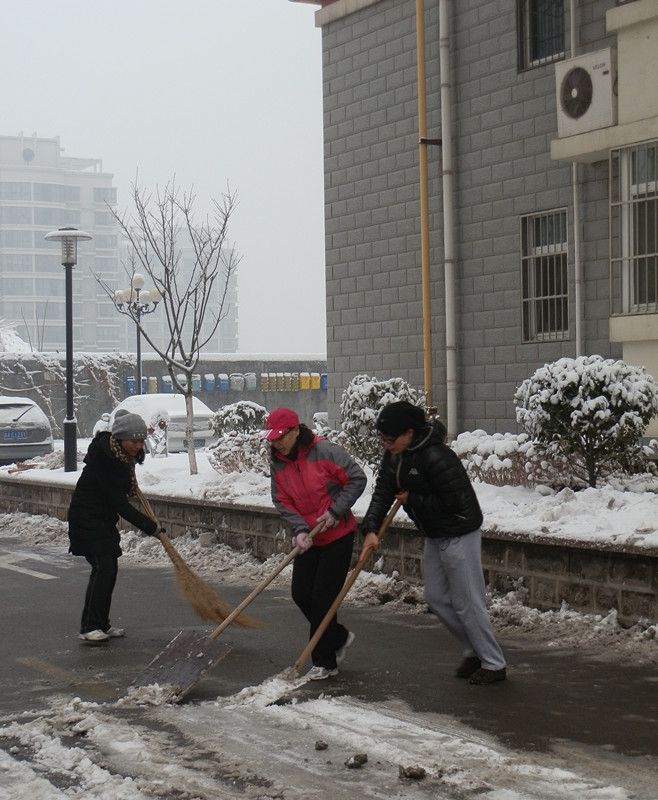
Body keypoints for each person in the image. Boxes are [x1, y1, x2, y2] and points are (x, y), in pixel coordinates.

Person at [361, 401, 506, 685]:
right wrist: (371, 528)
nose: (386, 445)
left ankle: (493, 662)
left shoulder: (437, 456)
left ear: (409, 432)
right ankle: (474, 649)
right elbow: (383, 492)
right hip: (433, 533)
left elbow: (453, 502)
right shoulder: (394, 456)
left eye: (391, 439)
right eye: (382, 439)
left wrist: (412, 499)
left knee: (467, 602)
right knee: (436, 598)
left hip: (459, 531)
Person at [262, 407, 367, 680]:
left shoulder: (325, 452)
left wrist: (335, 511)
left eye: (281, 437)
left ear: (296, 431)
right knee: (301, 593)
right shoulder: (278, 463)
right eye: (273, 439)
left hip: (337, 534)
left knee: (322, 598)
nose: (277, 443)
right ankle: (337, 636)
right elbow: (281, 499)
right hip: (309, 536)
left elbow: (356, 479)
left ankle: (324, 662)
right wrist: (298, 530)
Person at [68, 409, 165, 643]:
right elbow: (119, 504)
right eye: (133, 441)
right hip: (86, 519)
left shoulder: (121, 459)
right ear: (120, 438)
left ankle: (101, 623)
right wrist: (150, 527)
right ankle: (89, 627)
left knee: (109, 568)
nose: (138, 446)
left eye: (141, 441)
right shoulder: (103, 461)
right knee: (103, 567)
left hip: (102, 520)